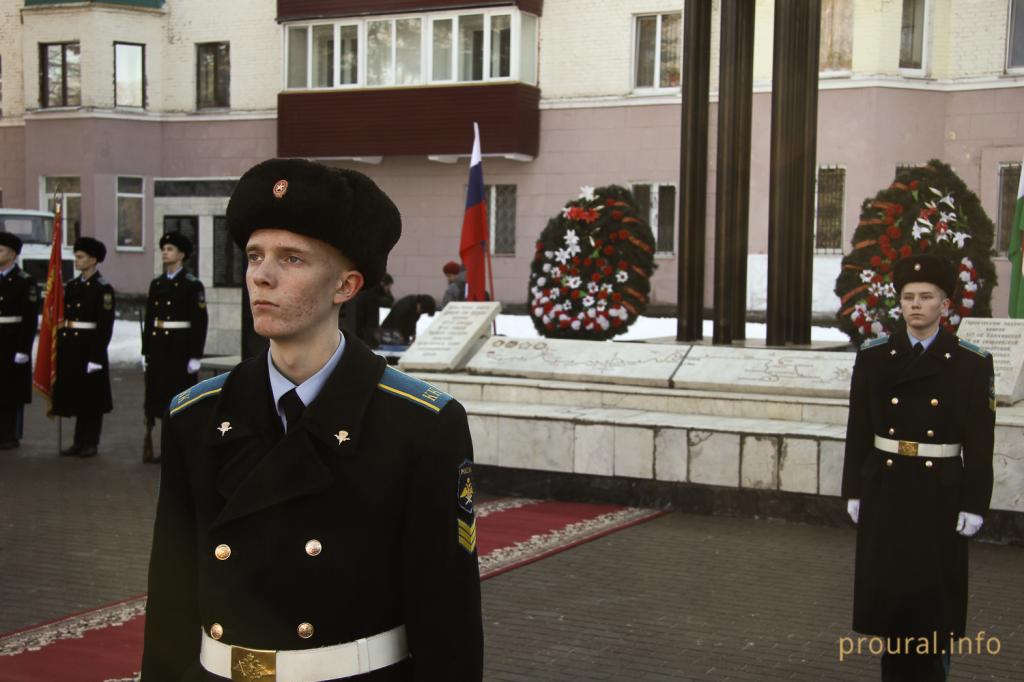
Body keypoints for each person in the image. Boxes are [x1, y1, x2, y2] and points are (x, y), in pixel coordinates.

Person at [142, 158, 483, 681]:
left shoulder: (419, 425)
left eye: (291, 259)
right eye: (255, 255)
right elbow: (170, 598)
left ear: (345, 286)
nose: (262, 274)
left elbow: (447, 617)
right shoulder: (198, 415)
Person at [841, 253, 995, 682]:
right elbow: (859, 428)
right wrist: (853, 489)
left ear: (945, 304)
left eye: (927, 297)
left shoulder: (970, 361)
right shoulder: (874, 356)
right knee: (891, 603)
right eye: (908, 297)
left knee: (933, 604)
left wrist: (975, 503)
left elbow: (980, 442)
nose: (916, 305)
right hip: (887, 490)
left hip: (939, 495)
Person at [141, 232, 209, 463]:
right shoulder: (157, 283)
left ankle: (179, 450)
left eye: (170, 249)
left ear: (181, 255)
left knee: (179, 401)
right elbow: (150, 319)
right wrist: (145, 351)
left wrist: (195, 356)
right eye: (163, 248)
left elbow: (200, 322)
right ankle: (163, 447)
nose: (165, 252)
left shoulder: (191, 285)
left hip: (179, 350)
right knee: (158, 399)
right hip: (159, 349)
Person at [53, 237, 115, 458]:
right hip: (73, 348)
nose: (77, 261)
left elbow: (104, 326)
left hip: (91, 348)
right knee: (77, 394)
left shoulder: (103, 289)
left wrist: (96, 356)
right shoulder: (72, 286)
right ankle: (78, 441)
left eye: (80, 257)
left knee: (92, 398)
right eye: (76, 256)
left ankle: (91, 441)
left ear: (93, 260)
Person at [0, 233, 38, 450]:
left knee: (10, 391)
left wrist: (24, 348)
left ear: (12, 254)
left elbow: (29, 318)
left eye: (1, 250)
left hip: (12, 341)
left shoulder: (25, 281)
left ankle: (9, 434)